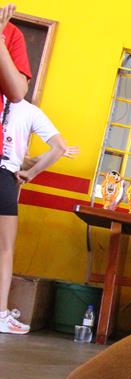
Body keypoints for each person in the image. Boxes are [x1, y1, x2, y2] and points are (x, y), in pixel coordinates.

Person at [0, 98, 68, 334]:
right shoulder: (29, 111)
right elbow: (59, 147)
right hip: (4, 177)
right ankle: (0, 315)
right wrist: (31, 173)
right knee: (4, 249)